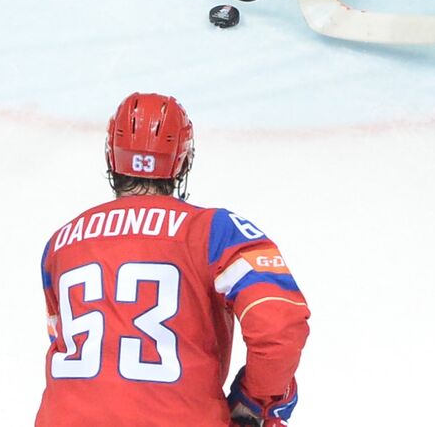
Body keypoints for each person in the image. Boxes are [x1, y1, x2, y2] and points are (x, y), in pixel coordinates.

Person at [36, 93, 310, 427]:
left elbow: (64, 342)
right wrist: (256, 402)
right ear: (183, 160)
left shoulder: (60, 245)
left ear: (111, 156)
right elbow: (279, 325)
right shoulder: (215, 231)